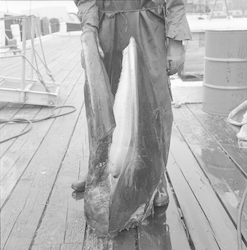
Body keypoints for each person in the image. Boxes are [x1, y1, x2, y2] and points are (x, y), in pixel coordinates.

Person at [72, 0, 191, 208]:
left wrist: (175, 41)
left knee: (155, 98)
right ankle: (98, 170)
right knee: (100, 99)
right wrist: (89, 30)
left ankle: (156, 175)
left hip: (149, 25)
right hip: (104, 26)